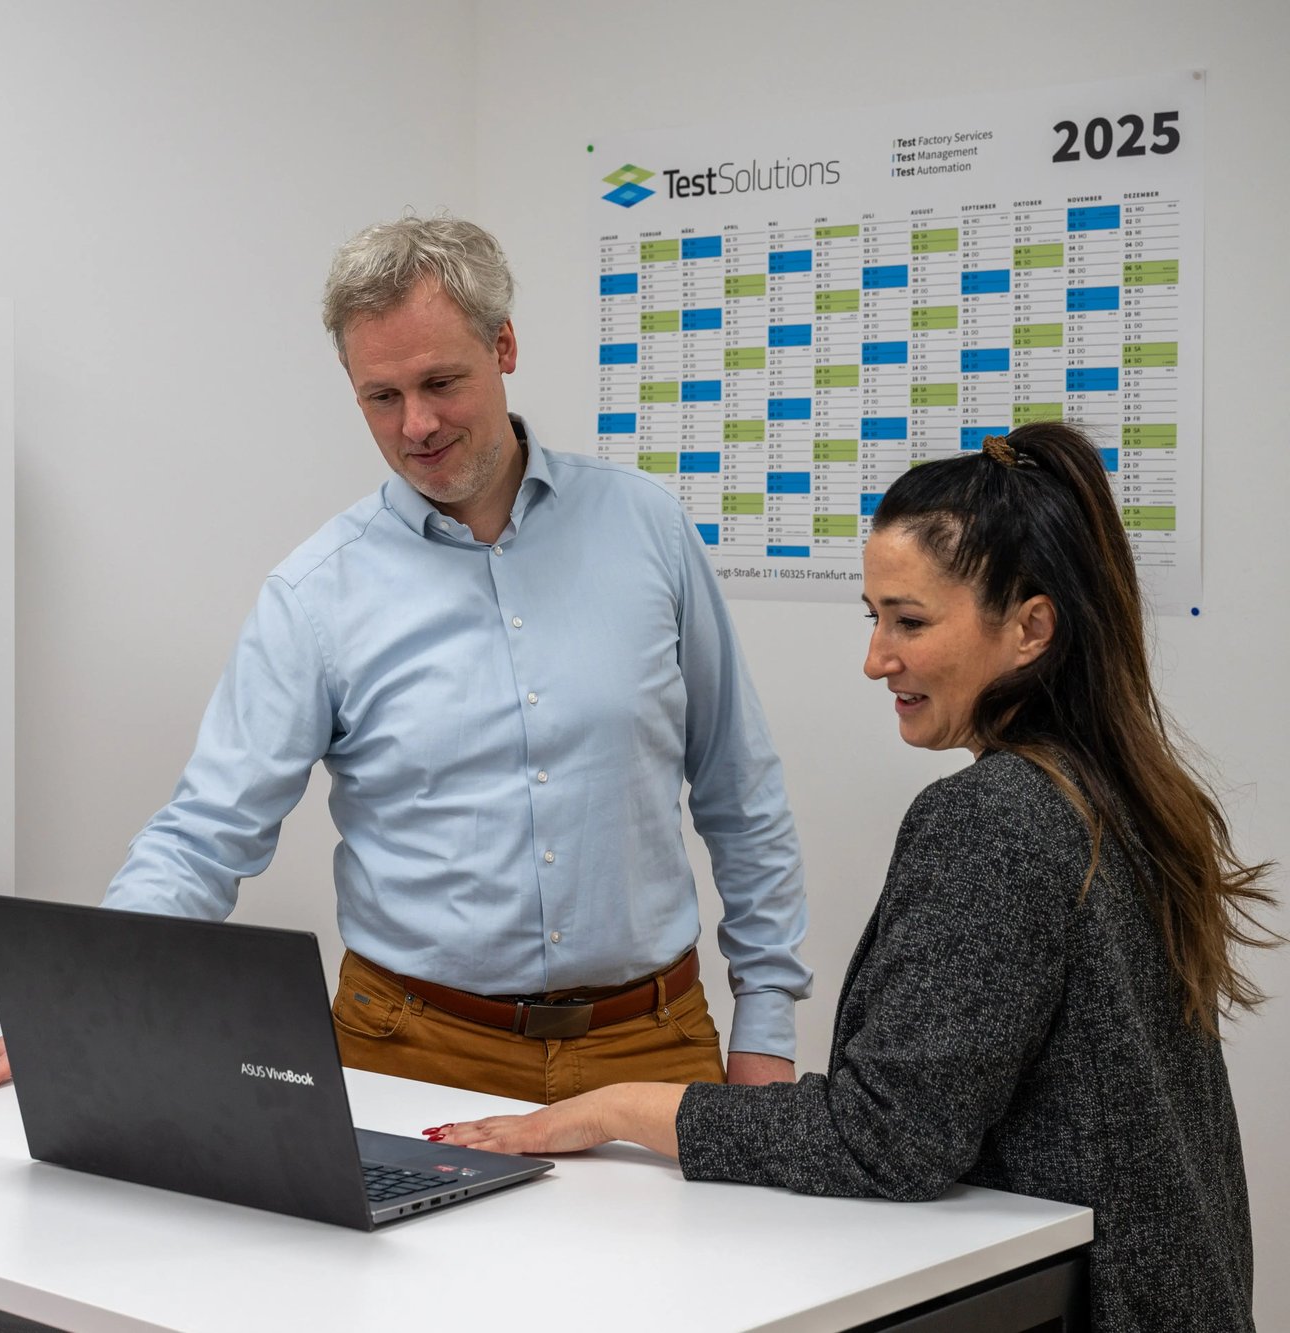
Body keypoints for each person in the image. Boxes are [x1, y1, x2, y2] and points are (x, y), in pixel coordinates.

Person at [0, 215, 809, 1102]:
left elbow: (739, 787)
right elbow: (206, 831)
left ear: (503, 346)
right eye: (381, 396)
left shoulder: (647, 528)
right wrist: (82, 994)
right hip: (412, 1047)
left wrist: (767, 1027)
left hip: (649, 1043)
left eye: (440, 382)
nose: (416, 424)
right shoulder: (317, 592)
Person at [434, 423, 1272, 1331]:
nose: (877, 658)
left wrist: (616, 1108)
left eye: (909, 621)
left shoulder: (998, 818)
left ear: (1031, 627)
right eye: (873, 617)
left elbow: (889, 1137)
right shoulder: (1124, 791)